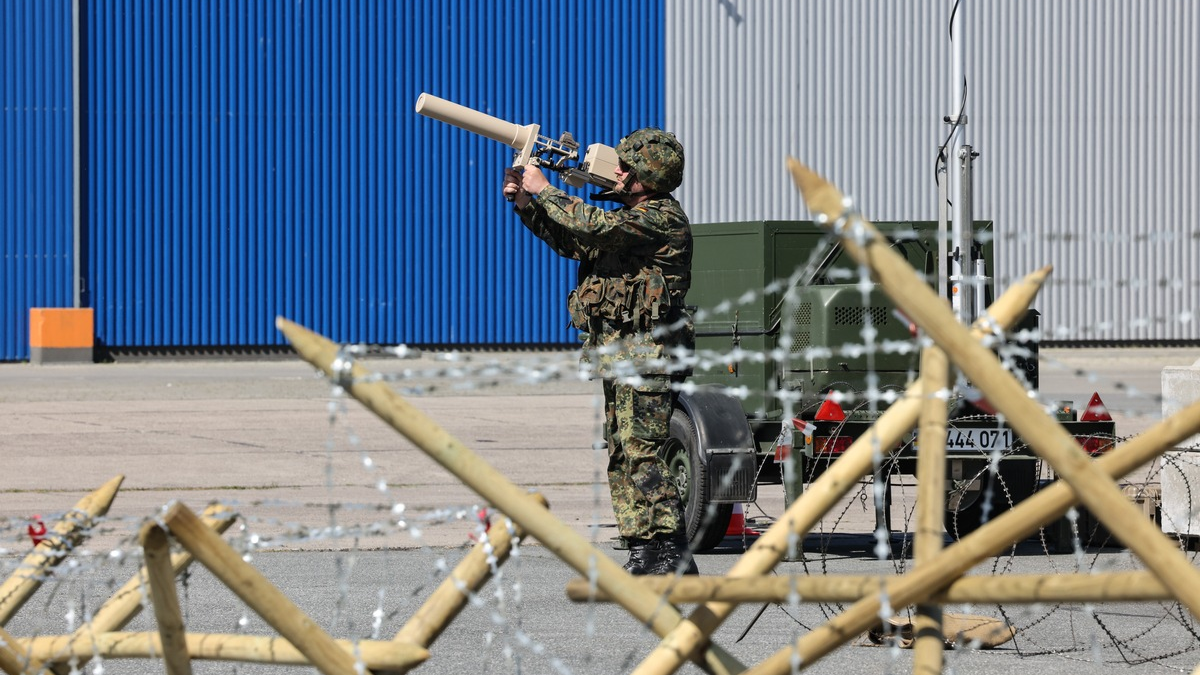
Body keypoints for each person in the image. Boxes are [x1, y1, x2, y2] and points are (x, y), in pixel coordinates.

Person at [501, 128, 697, 576]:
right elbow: (575, 240)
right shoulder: (630, 222)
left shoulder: (661, 218)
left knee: (644, 451)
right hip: (619, 354)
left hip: (649, 355)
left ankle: (673, 550)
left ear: (649, 176)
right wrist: (527, 204)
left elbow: (596, 226)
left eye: (627, 167)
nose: (618, 172)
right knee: (622, 452)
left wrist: (546, 190)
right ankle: (643, 547)